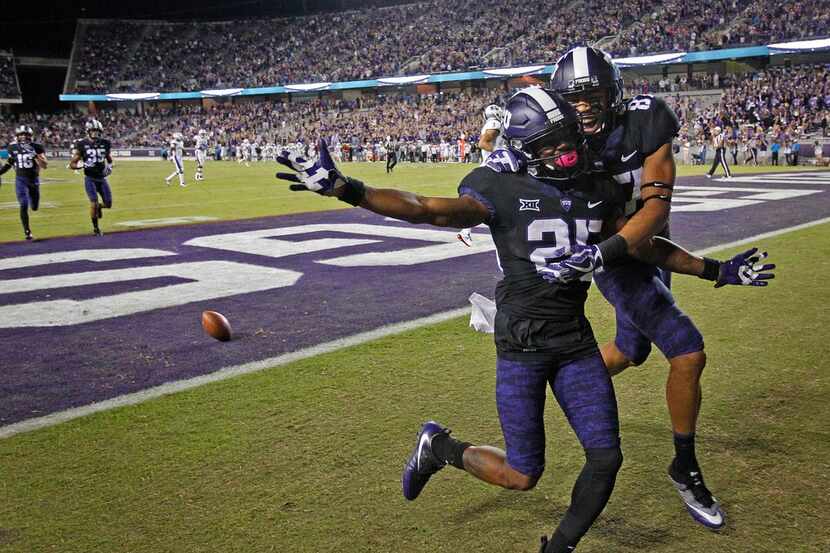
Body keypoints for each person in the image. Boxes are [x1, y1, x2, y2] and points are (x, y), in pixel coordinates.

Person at [274, 88, 774, 552]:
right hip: (521, 346)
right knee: (522, 474)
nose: (565, 152)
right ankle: (441, 447)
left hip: (575, 342)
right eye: (549, 144)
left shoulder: (595, 187)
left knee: (606, 459)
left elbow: (645, 245)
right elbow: (429, 209)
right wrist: (347, 187)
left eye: (567, 140)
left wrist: (718, 270)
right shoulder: (499, 186)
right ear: (524, 148)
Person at [540, 46, 735, 530]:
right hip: (611, 254)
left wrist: (705, 266)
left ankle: (563, 377)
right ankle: (684, 466)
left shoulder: (648, 120)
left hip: (639, 241)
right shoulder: (565, 147)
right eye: (573, 99)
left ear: (616, 93)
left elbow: (655, 214)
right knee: (687, 352)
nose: (583, 107)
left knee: (631, 349)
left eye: (592, 97)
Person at [458, 104, 505, 247]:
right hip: (494, 167)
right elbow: (483, 143)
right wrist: (501, 153)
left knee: (486, 201)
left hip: (490, 166)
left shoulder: (491, 123)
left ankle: (465, 231)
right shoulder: (495, 123)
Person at [0, 125, 47, 240]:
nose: (24, 137)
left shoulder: (37, 147)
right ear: (17, 136)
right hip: (20, 180)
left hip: (34, 180)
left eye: (26, 134)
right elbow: (9, 163)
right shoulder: (12, 147)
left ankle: (32, 209)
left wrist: (35, 156)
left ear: (30, 136)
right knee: (24, 204)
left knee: (34, 207)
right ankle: (27, 231)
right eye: (21, 134)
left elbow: (44, 165)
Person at [69, 119, 113, 236]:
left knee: (108, 204)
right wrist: (80, 165)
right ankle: (96, 228)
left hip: (102, 178)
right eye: (92, 130)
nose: (95, 133)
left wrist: (109, 167)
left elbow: (109, 159)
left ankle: (99, 207)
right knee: (93, 202)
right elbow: (72, 163)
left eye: (97, 131)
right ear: (88, 131)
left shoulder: (105, 143)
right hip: (90, 178)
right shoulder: (82, 144)